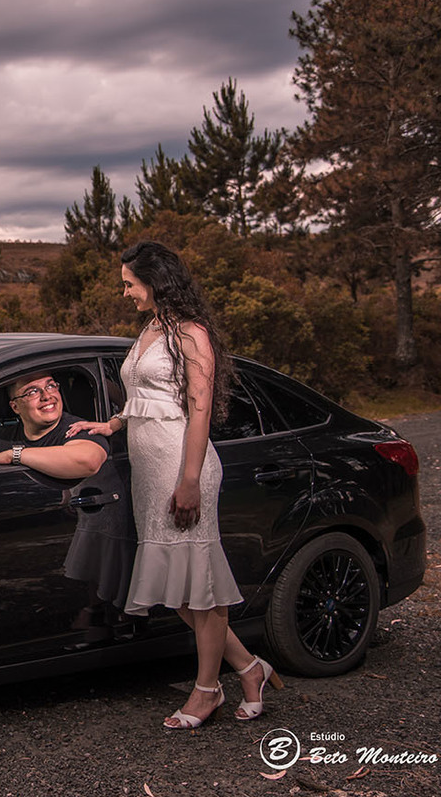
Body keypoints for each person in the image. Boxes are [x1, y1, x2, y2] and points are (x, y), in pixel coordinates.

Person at [66, 241, 282, 729]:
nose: (125, 292)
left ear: (156, 282)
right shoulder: (151, 328)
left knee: (200, 588)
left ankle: (207, 691)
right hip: (150, 470)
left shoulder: (191, 333)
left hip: (183, 466)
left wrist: (189, 480)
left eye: (129, 283)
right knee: (182, 591)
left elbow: (199, 410)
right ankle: (251, 669)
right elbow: (147, 396)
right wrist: (111, 425)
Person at [0, 371, 108, 479]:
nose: (47, 396)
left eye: (50, 386)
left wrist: (13, 455)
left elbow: (88, 461)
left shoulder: (79, 428)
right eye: (32, 392)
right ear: (15, 407)